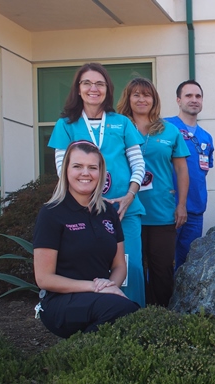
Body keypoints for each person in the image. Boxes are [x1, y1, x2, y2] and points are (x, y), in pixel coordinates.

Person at [48, 63, 146, 307]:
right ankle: (98, 327)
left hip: (124, 210)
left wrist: (129, 196)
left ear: (107, 90)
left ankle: (133, 320)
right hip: (86, 212)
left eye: (100, 83)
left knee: (130, 267)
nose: (94, 88)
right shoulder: (66, 124)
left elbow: (139, 165)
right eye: (87, 83)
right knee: (89, 269)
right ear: (78, 89)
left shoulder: (122, 123)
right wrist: (87, 202)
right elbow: (62, 168)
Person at [33, 140, 140, 338]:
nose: (85, 173)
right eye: (78, 166)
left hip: (100, 297)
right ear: (66, 170)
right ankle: (75, 356)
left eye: (92, 167)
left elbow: (119, 266)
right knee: (122, 311)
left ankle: (89, 362)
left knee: (130, 311)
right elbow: (44, 278)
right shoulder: (51, 213)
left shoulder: (108, 212)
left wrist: (110, 286)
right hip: (60, 301)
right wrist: (95, 288)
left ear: (101, 173)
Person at [117, 78, 190, 307]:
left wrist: (181, 205)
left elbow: (181, 169)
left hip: (161, 210)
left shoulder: (170, 130)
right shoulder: (118, 127)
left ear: (154, 100)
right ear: (128, 98)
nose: (141, 99)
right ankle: (130, 312)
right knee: (131, 268)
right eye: (136, 94)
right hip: (125, 210)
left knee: (161, 270)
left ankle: (161, 318)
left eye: (146, 95)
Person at [165, 80, 215, 270]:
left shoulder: (206, 137)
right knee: (162, 262)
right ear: (178, 100)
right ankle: (156, 301)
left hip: (195, 210)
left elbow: (202, 171)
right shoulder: (166, 127)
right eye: (188, 96)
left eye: (198, 96)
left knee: (187, 265)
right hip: (168, 209)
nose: (194, 100)